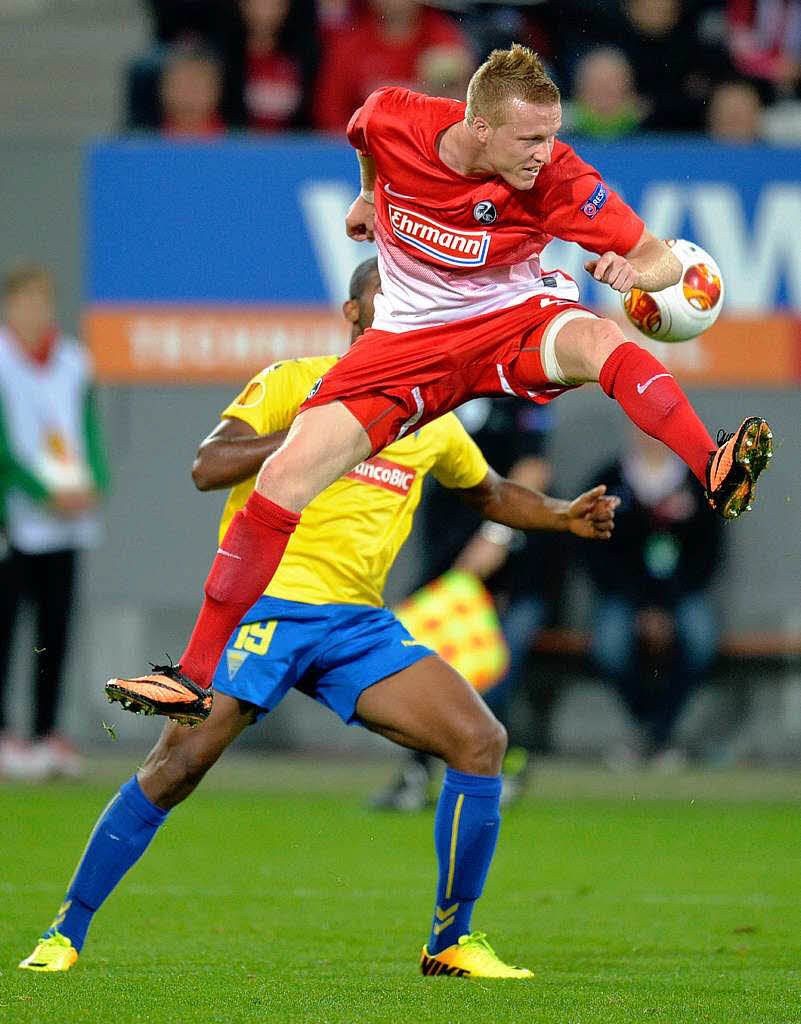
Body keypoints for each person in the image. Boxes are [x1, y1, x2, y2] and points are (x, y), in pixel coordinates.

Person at [107, 43, 773, 733]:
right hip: (406, 347)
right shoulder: (398, 120)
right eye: (529, 138)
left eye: (551, 136)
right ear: (477, 125)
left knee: (600, 341)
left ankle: (713, 466)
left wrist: (642, 276)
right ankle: (191, 676)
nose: (545, 152)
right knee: (283, 479)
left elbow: (656, 254)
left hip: (507, 322)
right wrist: (369, 193)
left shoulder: (559, 178)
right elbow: (361, 126)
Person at [21, 259, 618, 977]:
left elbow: (489, 493)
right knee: (177, 767)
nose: (401, 310)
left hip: (356, 628)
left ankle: (450, 939)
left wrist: (560, 514)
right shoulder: (294, 381)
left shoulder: (428, 413)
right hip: (265, 608)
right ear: (353, 313)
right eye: (385, 299)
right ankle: (65, 932)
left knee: (478, 740)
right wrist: (317, 436)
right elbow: (208, 466)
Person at [371, 396, 559, 811]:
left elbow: (534, 467)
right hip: (447, 561)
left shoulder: (516, 395)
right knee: (418, 665)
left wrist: (495, 538)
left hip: (510, 567)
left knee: (487, 668)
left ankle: (505, 762)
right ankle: (418, 770)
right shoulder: (438, 395)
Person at [0, 264, 108, 779]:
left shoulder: (72, 361)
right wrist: (40, 491)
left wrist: (93, 484)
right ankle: (4, 734)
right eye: (25, 302)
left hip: (67, 523)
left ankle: (45, 734)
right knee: (4, 629)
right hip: (12, 519)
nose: (35, 312)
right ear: (8, 306)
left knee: (54, 632)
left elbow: (88, 429)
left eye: (43, 301)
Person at [580, 431, 725, 770]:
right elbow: (595, 551)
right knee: (609, 645)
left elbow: (708, 552)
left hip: (681, 594)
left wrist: (666, 605)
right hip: (624, 596)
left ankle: (652, 733)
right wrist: (642, 605)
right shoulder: (609, 481)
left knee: (701, 638)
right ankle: (655, 730)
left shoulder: (696, 482)